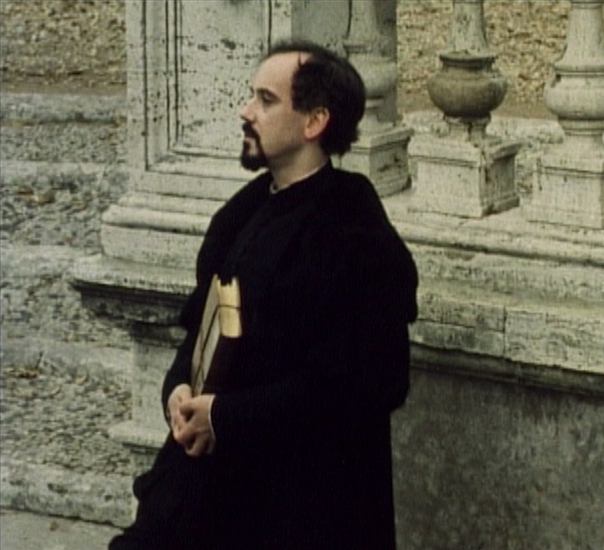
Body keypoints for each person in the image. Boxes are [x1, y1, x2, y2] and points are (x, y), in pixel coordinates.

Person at [109, 39, 418, 550]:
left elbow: (367, 384)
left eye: (265, 100)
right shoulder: (241, 213)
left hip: (301, 503)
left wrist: (225, 417)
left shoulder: (354, 229)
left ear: (314, 121)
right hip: (211, 483)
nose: (245, 111)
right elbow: (200, 331)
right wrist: (179, 388)